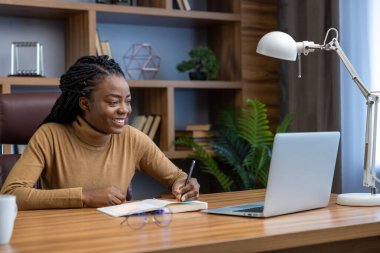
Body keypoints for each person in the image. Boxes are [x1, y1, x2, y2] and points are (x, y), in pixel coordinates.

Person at [1, 55, 200, 210]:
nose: (125, 109)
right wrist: (84, 197)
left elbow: (177, 177)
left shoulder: (132, 138)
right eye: (113, 102)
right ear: (85, 103)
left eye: (128, 101)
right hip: (64, 237)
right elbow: (12, 194)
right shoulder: (50, 135)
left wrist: (185, 184)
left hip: (116, 238)